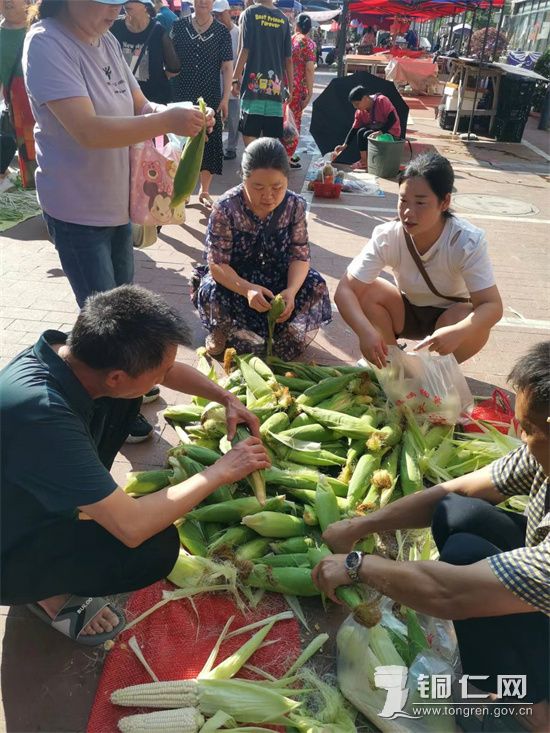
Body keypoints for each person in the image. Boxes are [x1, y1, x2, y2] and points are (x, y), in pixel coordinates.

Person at [0, 285, 269, 646]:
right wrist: (220, 470)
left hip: (26, 493)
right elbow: (133, 527)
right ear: (116, 376)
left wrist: (226, 397)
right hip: (8, 544)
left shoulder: (73, 354)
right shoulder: (45, 417)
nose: (165, 376)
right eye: (160, 371)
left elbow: (161, 372)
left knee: (125, 401)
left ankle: (75, 515)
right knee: (151, 548)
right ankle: (43, 589)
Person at [312, 341, 550, 732]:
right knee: (457, 514)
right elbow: (457, 491)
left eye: (528, 427)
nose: (516, 432)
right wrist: (360, 526)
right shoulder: (542, 452)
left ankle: (537, 713)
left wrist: (358, 566)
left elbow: (449, 594)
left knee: (464, 560)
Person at [23, 0, 213, 441]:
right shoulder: (48, 44)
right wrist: (165, 120)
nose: (117, 13)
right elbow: (89, 131)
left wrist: (180, 112)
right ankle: (105, 409)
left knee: (122, 309)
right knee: (105, 322)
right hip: (76, 207)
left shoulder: (105, 40)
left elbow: (141, 106)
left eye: (121, 4)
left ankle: (127, 382)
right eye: (108, 4)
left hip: (117, 205)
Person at [334, 152, 503, 368]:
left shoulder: (466, 240)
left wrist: (459, 332)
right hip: (406, 310)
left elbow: (492, 306)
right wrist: (365, 332)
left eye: (420, 203)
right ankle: (390, 363)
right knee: (367, 291)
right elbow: (344, 290)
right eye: (403, 200)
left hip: (450, 316)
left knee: (472, 320)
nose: (407, 212)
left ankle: (432, 369)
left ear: (444, 202)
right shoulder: (388, 235)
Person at [192, 137, 331, 359]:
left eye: (278, 187)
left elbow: (300, 255)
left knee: (314, 284)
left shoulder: (294, 205)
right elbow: (217, 264)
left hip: (277, 275)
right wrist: (247, 288)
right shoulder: (226, 208)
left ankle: (284, 331)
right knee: (212, 287)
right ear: (244, 179)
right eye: (258, 187)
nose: (268, 196)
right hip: (237, 279)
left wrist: (291, 291)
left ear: (287, 180)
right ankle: (220, 330)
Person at [171, 0, 233, 209]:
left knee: (210, 140)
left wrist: (225, 99)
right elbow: (170, 61)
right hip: (182, 93)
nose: (203, 2)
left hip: (210, 95)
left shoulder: (222, 32)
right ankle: (183, 189)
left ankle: (204, 190)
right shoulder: (179, 27)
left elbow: (226, 67)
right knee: (180, 141)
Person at [233, 0, 293, 146]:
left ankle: (252, 166)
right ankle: (265, 167)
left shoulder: (250, 13)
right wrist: (291, 88)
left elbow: (244, 50)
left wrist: (235, 79)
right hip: (276, 90)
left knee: (249, 136)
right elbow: (288, 59)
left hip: (253, 90)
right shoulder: (283, 19)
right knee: (271, 142)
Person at [111, 0, 180, 105]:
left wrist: (156, 78)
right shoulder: (114, 28)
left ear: (145, 5)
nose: (127, 2)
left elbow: (174, 69)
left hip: (154, 102)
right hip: (122, 100)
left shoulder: (158, 31)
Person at [0, 0, 36, 190]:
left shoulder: (40, 28)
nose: (7, 2)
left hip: (48, 109)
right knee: (29, 157)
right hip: (17, 114)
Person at [333, 85, 401, 171]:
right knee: (361, 132)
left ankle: (372, 161)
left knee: (367, 134)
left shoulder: (382, 100)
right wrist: (344, 145)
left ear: (365, 98)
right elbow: (354, 129)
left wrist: (381, 132)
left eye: (357, 104)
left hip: (391, 133)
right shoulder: (360, 112)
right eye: (354, 105)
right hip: (377, 132)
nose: (356, 107)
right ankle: (364, 161)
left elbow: (393, 119)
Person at [283, 13, 315, 170]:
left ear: (296, 25)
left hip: (283, 85)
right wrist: (310, 92)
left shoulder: (289, 39)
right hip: (297, 88)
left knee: (283, 119)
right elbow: (309, 69)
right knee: (293, 122)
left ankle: (282, 154)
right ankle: (287, 157)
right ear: (309, 28)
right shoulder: (307, 43)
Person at [212, 0, 239, 161]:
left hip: (234, 82)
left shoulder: (238, 32)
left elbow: (242, 59)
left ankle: (231, 147)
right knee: (216, 117)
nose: (218, 17)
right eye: (215, 15)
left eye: (220, 14)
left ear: (228, 12)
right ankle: (216, 147)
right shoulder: (214, 32)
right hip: (217, 82)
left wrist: (237, 80)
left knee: (234, 118)